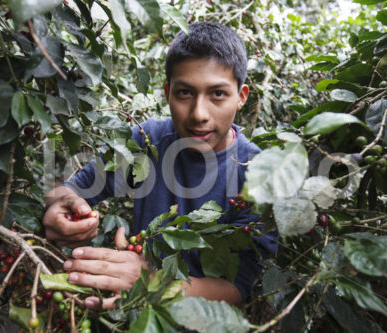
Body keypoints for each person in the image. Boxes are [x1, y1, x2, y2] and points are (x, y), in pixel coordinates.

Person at [43, 22, 277, 310]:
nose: (199, 114)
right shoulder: (147, 140)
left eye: (217, 94)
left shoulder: (260, 175)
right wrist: (62, 207)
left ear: (241, 97)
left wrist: (149, 281)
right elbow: (75, 189)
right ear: (168, 93)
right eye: (184, 93)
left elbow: (237, 287)